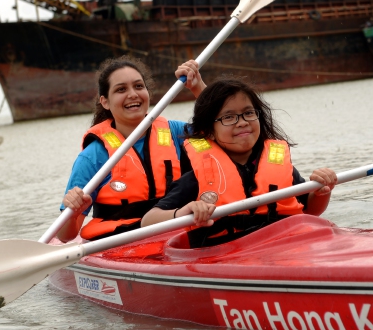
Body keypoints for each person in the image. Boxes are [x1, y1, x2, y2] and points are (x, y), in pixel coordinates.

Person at [140, 78, 337, 248]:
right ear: (208, 131)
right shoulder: (196, 179)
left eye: (249, 113)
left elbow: (310, 210)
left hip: (284, 247)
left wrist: (320, 192)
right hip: (227, 255)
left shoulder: (280, 167)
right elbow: (148, 221)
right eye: (228, 117)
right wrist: (183, 212)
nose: (242, 122)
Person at [57, 57, 206, 242]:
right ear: (105, 102)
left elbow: (224, 131)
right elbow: (65, 236)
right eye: (121, 89)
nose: (133, 94)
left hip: (176, 231)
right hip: (122, 242)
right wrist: (74, 211)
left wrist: (197, 86)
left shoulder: (175, 132)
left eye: (138, 86)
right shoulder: (93, 156)